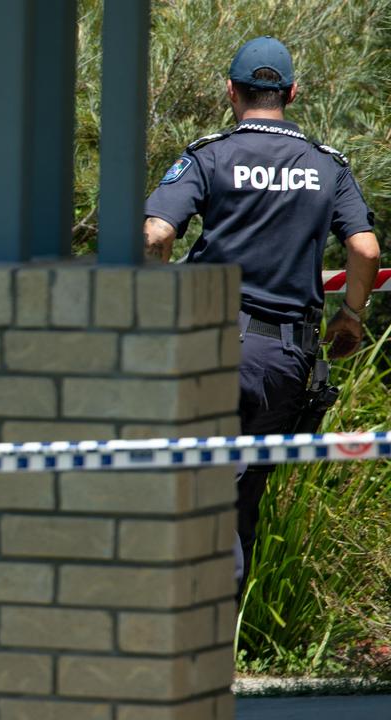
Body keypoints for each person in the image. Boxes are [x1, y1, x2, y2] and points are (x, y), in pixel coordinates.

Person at [141, 36, 380, 598]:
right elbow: (366, 250)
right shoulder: (328, 167)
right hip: (282, 359)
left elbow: (156, 234)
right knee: (237, 497)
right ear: (292, 93)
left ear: (231, 90)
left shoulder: (211, 155)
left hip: (207, 345)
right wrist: (350, 315)